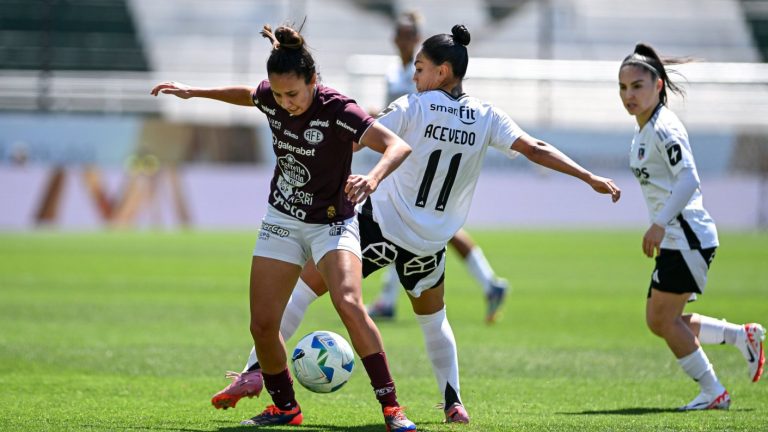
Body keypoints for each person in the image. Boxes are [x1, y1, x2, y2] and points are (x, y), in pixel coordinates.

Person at [212, 24, 621, 424]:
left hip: (381, 225)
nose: (415, 75)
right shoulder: (486, 116)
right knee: (433, 321)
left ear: (442, 72)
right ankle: (454, 403)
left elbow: (357, 137)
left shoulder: (416, 104)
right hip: (429, 242)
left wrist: (332, 126)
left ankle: (253, 374)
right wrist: (588, 177)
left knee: (301, 293)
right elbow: (536, 148)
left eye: (421, 68)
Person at [151, 24, 418, 431]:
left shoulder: (338, 109)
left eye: (292, 94)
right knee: (262, 324)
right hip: (282, 219)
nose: (284, 102)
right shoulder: (272, 98)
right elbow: (248, 94)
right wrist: (194, 92)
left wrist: (374, 178)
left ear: (313, 81)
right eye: (277, 95)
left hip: (332, 223)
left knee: (348, 303)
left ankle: (392, 407)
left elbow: (397, 146)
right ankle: (285, 407)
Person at [619, 43, 765, 411]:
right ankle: (740, 336)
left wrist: (658, 224)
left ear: (659, 86)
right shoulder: (645, 129)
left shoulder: (664, 128)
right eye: (623, 87)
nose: (628, 95)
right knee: (664, 319)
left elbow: (689, 180)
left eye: (637, 86)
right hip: (679, 239)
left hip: (686, 238)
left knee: (662, 319)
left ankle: (714, 391)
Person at [367, 11, 509, 324]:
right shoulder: (396, 73)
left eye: (406, 34)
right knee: (416, 225)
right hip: (406, 154)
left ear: (416, 38)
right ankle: (487, 283)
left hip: (424, 155)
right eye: (397, 34)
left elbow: (424, 112)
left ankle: (487, 282)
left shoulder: (420, 75)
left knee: (409, 222)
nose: (399, 40)